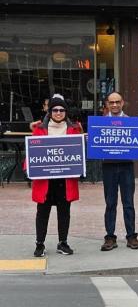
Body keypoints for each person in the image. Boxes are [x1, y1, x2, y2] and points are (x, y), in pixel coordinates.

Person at [27, 94, 81, 257]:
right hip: (45, 180)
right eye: (55, 110)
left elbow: (79, 151)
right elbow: (32, 153)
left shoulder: (75, 129)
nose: (58, 113)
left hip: (65, 179)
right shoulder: (39, 129)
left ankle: (63, 242)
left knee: (64, 212)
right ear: (49, 111)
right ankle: (40, 244)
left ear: (66, 111)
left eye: (61, 110)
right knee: (42, 212)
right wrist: (28, 168)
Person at [100, 92, 138, 251]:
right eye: (112, 102)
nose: (115, 105)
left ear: (123, 103)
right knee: (110, 203)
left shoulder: (131, 122)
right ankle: (110, 237)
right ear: (107, 104)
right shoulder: (100, 123)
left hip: (126, 166)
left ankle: (131, 236)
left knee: (128, 203)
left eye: (117, 102)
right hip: (109, 166)